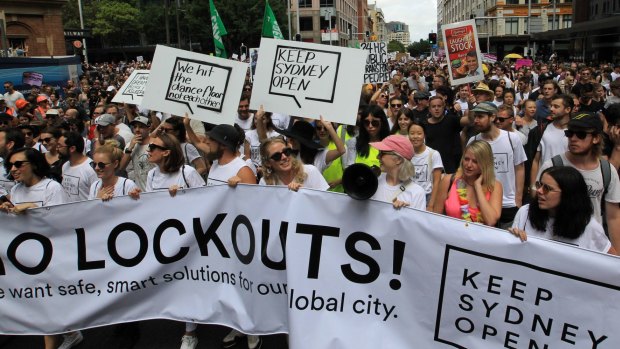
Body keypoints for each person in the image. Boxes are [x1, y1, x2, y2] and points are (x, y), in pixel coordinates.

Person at [0, 147, 77, 349]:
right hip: (25, 257)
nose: (13, 169)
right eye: (10, 165)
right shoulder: (15, 190)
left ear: (33, 164)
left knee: (46, 305)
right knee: (42, 303)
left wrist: (33, 208)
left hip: (51, 255)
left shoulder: (51, 188)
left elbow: (62, 221)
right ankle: (72, 333)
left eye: (18, 164)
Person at [538, 112, 620, 251]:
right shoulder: (552, 166)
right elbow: (537, 206)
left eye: (581, 135)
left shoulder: (607, 171)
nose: (573, 139)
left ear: (596, 138)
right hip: (555, 242)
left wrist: (617, 255)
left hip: (591, 245)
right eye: (570, 133)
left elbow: (613, 217)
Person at [509, 166, 615, 254]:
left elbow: (611, 264)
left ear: (567, 194)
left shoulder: (590, 226)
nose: (539, 191)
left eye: (547, 188)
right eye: (539, 185)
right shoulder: (525, 213)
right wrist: (513, 238)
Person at [468, 102, 526, 228]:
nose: (476, 120)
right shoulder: (474, 141)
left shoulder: (512, 138)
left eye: (480, 116)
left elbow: (519, 168)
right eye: (475, 116)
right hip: (483, 203)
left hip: (508, 203)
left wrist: (518, 199)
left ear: (492, 117)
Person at [435, 140, 503, 226]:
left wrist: (477, 186)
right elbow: (436, 219)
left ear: (485, 164)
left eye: (475, 161)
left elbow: (491, 221)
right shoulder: (448, 180)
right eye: (466, 159)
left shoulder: (495, 186)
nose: (469, 165)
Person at [369, 135, 426, 209]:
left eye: (382, 153)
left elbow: (417, 220)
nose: (377, 157)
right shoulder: (373, 181)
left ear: (398, 159)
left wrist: (403, 212)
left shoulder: (416, 192)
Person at [259, 137, 329, 191]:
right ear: (268, 163)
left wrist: (305, 192)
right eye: (277, 156)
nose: (284, 157)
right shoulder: (264, 183)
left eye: (286, 151)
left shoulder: (310, 171)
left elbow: (326, 201)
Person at [409, 122, 443, 211]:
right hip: (409, 195)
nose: (415, 136)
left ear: (424, 135)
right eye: (412, 133)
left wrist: (431, 205)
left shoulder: (433, 154)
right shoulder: (407, 154)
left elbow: (437, 182)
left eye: (419, 133)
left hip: (427, 197)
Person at [344, 105, 390, 170]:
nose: (370, 126)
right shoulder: (354, 143)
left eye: (375, 122)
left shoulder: (390, 144)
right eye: (366, 122)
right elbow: (350, 168)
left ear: (382, 122)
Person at [59, 131, 98, 202]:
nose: (57, 149)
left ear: (72, 148)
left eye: (60, 146)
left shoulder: (91, 168)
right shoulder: (65, 166)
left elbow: (97, 194)